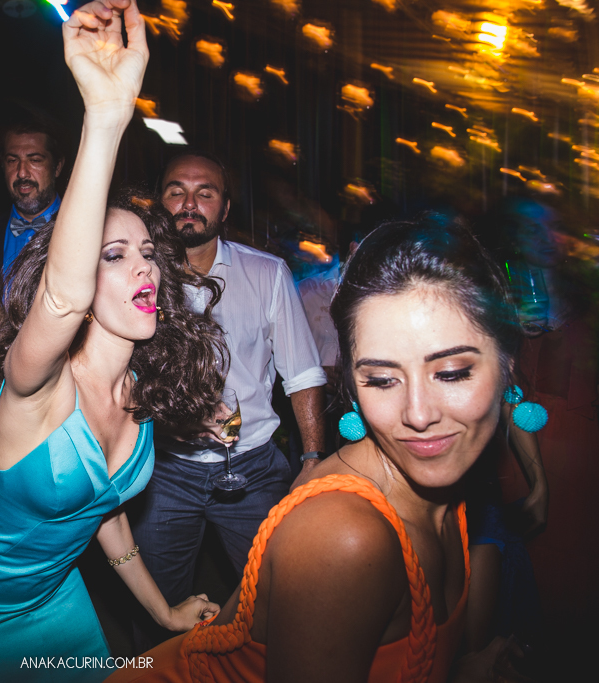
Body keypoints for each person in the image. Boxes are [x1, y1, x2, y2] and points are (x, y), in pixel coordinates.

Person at [0, 3, 224, 680]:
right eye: (114, 255)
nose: (144, 267)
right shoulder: (35, 381)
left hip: (54, 602)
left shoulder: (139, 391)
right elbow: (63, 298)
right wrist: (106, 118)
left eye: (148, 253)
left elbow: (103, 511)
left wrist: (160, 613)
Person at [110, 215, 530, 683]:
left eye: (451, 373)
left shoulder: (448, 484)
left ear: (508, 362)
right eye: (382, 379)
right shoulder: (344, 538)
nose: (417, 414)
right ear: (353, 382)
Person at [130, 150, 327, 648]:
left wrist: (310, 457)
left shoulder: (267, 273)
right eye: (177, 191)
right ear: (160, 201)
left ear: (226, 208)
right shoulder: (135, 276)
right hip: (164, 471)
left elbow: (302, 373)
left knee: (274, 601)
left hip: (255, 465)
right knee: (156, 607)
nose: (189, 203)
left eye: (205, 193)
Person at [0, 118, 65, 301]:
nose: (22, 173)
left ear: (57, 167)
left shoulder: (85, 231)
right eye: (12, 161)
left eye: (34, 160)